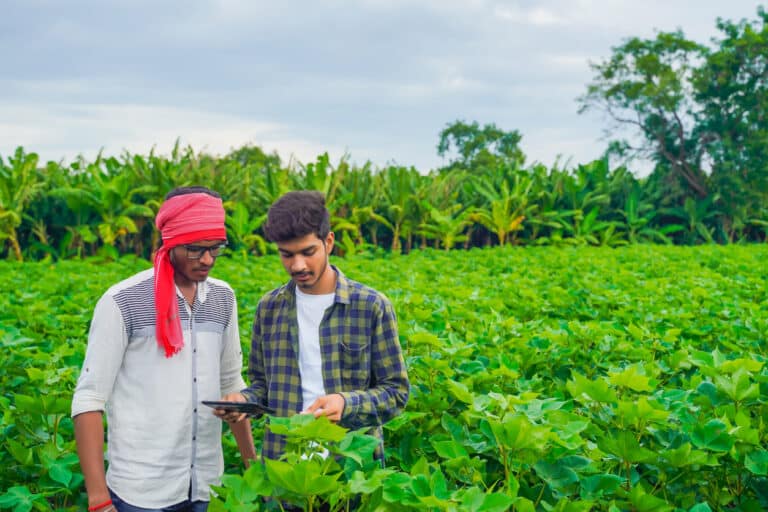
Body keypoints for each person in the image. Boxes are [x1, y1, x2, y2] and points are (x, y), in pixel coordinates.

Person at [71, 186, 256, 512]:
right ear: (169, 243)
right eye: (196, 249)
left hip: (207, 487)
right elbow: (89, 399)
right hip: (141, 493)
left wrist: (253, 469)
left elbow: (231, 383)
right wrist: (99, 500)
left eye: (216, 248)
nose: (208, 260)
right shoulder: (122, 301)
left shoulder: (223, 298)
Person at [221, 190, 409, 462]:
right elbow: (262, 386)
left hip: (349, 473)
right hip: (285, 468)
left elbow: (396, 392)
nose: (297, 265)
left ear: (328, 242)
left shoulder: (370, 306)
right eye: (286, 255)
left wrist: (346, 404)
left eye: (308, 252)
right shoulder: (269, 308)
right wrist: (244, 402)